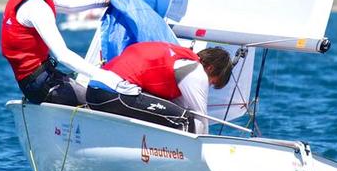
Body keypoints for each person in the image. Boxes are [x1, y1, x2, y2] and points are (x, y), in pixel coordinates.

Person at [1, 0, 127, 105]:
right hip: (40, 86)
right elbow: (63, 56)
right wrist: (108, 78)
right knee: (107, 99)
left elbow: (65, 5)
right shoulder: (38, 6)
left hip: (35, 81)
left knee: (90, 87)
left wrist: (105, 1)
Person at [86, 41, 233, 134]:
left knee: (172, 115)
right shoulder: (196, 70)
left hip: (94, 91)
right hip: (114, 93)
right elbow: (201, 118)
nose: (208, 85)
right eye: (212, 82)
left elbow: (173, 106)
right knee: (187, 120)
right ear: (210, 68)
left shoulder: (178, 59)